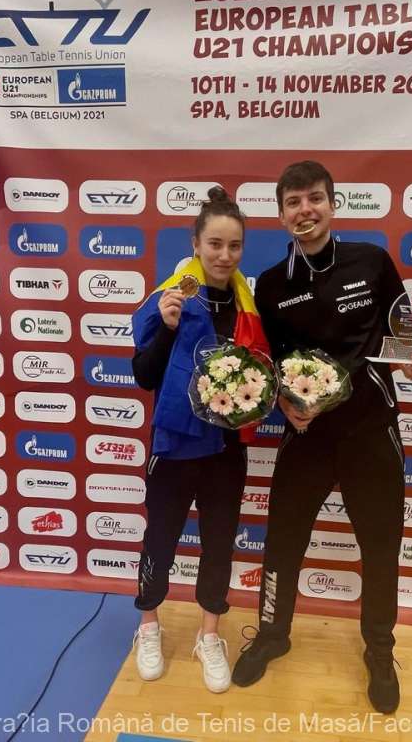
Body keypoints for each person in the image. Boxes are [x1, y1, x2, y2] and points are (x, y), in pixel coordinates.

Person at [231, 161, 412, 713]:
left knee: (381, 549)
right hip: (308, 437)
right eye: (294, 202)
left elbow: (404, 336)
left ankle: (380, 651)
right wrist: (282, 402)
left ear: (332, 204)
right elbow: (268, 364)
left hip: (372, 431)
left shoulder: (372, 261)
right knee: (281, 544)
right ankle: (272, 634)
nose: (306, 210)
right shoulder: (271, 285)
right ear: (281, 215)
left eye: (315, 198)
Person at [131, 187, 268, 693]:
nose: (224, 255)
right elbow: (144, 376)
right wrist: (167, 328)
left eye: (234, 246)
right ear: (195, 243)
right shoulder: (170, 297)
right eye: (214, 244)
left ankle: (209, 635)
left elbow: (261, 373)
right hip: (174, 448)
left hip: (226, 451)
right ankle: (148, 625)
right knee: (160, 540)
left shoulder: (248, 306)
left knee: (218, 545)